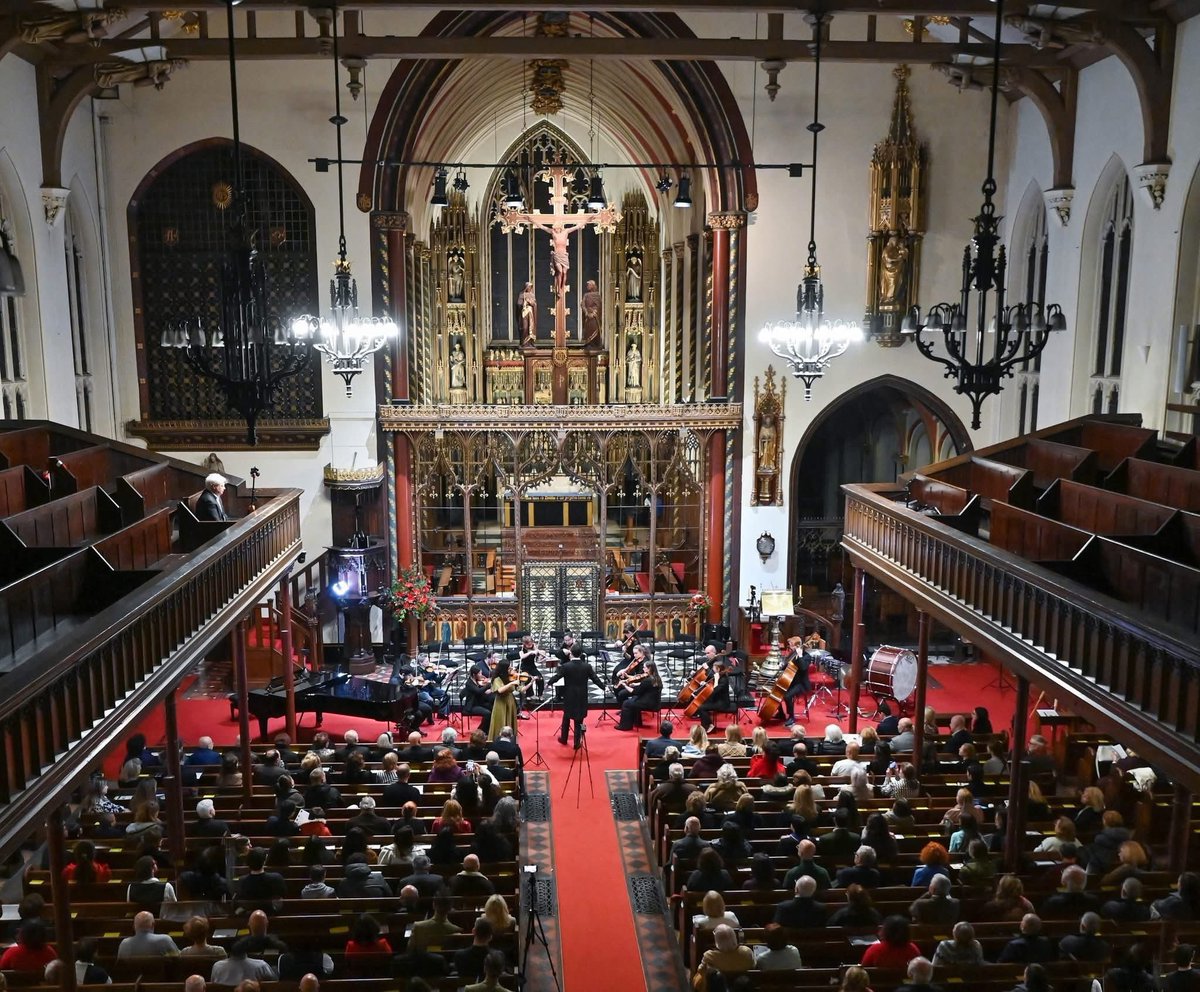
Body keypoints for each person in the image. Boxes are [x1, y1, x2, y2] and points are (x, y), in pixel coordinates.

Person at [544, 645, 605, 749]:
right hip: (582, 696)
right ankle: (577, 743)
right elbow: (595, 679)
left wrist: (549, 683)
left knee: (566, 718)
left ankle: (564, 739)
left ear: (571, 654)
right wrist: (603, 687)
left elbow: (557, 676)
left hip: (569, 696)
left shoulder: (566, 666)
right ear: (581, 654)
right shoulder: (587, 666)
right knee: (579, 721)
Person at [617, 660, 662, 731]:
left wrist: (624, 685)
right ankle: (637, 722)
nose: (643, 669)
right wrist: (635, 685)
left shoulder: (647, 680)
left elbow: (635, 692)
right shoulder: (657, 678)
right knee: (634, 698)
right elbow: (645, 687)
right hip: (656, 703)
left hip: (648, 704)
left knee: (626, 703)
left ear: (649, 669)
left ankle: (625, 726)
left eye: (644, 667)